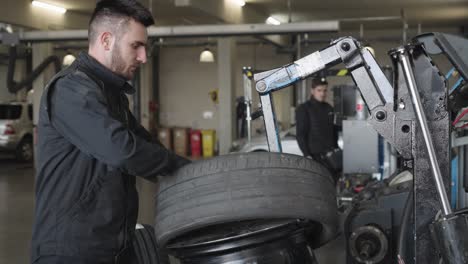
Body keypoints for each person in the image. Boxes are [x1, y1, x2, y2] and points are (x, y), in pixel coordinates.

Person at [31, 1, 190, 263]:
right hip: (70, 252)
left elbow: (144, 144)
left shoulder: (110, 94)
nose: (143, 57)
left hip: (112, 247)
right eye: (136, 46)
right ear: (106, 40)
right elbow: (123, 150)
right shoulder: (70, 90)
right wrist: (183, 170)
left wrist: (195, 173)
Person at [296, 77, 338, 176]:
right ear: (312, 91)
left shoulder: (329, 108)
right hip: (314, 156)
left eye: (324, 90)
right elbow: (301, 134)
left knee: (333, 182)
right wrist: (307, 154)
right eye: (319, 90)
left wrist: (336, 148)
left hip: (330, 156)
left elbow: (334, 131)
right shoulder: (304, 109)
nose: (322, 94)